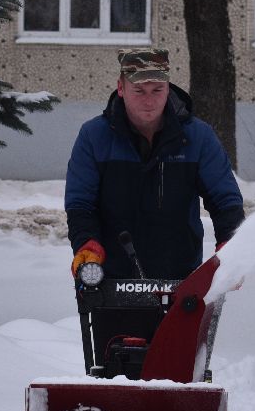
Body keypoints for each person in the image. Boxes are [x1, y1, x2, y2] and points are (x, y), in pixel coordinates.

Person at [65, 47, 245, 281]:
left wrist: (229, 246)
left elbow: (225, 200)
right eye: (139, 90)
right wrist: (87, 245)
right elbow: (80, 203)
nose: (149, 101)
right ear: (121, 88)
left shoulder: (197, 137)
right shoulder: (95, 136)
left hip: (182, 277)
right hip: (111, 278)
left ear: (168, 88)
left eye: (157, 90)